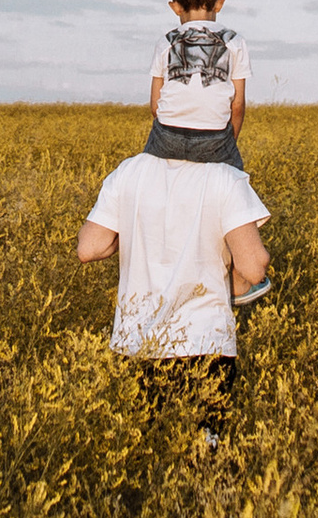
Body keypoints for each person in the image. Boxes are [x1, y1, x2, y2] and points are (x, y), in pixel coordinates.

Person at [76, 144, 271, 441]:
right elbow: (255, 267)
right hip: (205, 344)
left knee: (145, 446)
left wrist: (129, 230)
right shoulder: (223, 177)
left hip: (138, 343)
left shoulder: (129, 172)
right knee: (207, 452)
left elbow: (89, 248)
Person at [142, 0, 252, 167]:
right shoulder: (235, 42)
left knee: (148, 168)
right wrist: (229, 143)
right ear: (219, 4)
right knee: (236, 178)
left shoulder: (165, 42)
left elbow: (155, 105)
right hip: (214, 137)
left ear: (174, 7)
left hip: (168, 135)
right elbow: (237, 106)